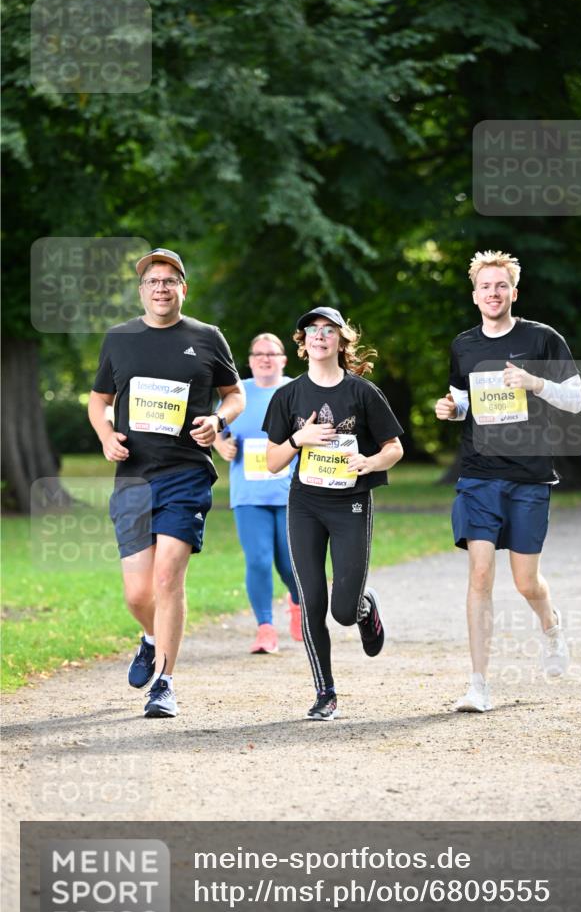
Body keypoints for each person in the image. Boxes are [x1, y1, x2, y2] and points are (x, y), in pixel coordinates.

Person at [88, 248, 245, 718]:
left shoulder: (206, 337)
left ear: (183, 288)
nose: (161, 288)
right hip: (133, 477)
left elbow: (233, 395)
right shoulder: (119, 338)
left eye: (169, 280)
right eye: (153, 281)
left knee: (167, 576)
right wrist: (105, 436)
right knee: (138, 594)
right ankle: (152, 636)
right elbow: (98, 402)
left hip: (186, 473)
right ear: (142, 291)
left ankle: (165, 682)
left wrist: (218, 422)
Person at [435, 250, 581, 713]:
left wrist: (534, 383)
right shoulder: (464, 345)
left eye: (501, 286)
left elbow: (577, 400)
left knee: (525, 583)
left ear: (513, 292)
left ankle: (552, 626)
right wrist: (451, 409)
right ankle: (478, 684)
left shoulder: (542, 339)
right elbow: (464, 401)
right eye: (486, 286)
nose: (493, 293)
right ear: (475, 293)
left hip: (529, 476)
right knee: (480, 573)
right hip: (478, 474)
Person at [263, 306, 404, 720]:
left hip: (351, 504)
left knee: (342, 610)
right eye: (311, 330)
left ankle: (364, 608)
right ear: (302, 344)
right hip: (305, 504)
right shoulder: (288, 396)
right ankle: (325, 692)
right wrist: (298, 437)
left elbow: (394, 448)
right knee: (311, 602)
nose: (319, 336)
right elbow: (272, 461)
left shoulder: (362, 392)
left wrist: (371, 462)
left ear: (341, 341)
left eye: (328, 330)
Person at [213, 332, 302, 653]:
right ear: (249, 360)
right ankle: (265, 628)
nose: (265, 358)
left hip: (292, 493)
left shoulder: (297, 390)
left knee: (292, 564)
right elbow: (216, 430)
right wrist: (221, 443)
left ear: (283, 359)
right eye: (258, 354)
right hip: (249, 494)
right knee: (259, 560)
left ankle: (297, 603)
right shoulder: (238, 394)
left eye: (272, 353)